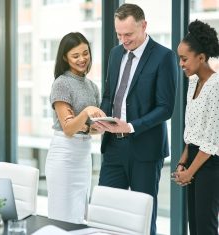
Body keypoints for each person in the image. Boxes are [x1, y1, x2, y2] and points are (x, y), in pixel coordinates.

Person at [92, 4, 178, 235]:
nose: (123, 40)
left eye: (128, 34)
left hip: (145, 150)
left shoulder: (164, 57)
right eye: (119, 34)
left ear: (144, 26)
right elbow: (110, 94)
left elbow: (166, 108)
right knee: (107, 214)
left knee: (142, 217)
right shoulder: (115, 53)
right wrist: (102, 117)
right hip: (113, 148)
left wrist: (130, 126)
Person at [45, 32, 105, 224]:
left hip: (83, 155)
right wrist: (87, 112)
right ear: (65, 58)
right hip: (64, 155)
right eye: (75, 55)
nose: (82, 59)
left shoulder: (92, 87)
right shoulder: (61, 83)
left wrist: (96, 125)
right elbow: (69, 129)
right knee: (63, 217)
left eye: (85, 53)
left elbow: (96, 129)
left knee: (80, 215)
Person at [173, 20, 219, 235]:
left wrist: (190, 172)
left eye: (184, 59)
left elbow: (210, 141)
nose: (181, 63)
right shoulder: (193, 81)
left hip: (209, 164)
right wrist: (183, 162)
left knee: (205, 226)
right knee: (194, 225)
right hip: (193, 156)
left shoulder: (216, 86)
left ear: (201, 58)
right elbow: (192, 132)